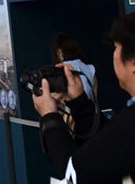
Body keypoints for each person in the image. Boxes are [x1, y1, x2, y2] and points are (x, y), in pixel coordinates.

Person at [34, 13, 135, 182]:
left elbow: (74, 174)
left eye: (116, 47)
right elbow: (108, 150)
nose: (114, 55)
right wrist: (79, 102)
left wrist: (49, 116)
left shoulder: (130, 125)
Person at [51, 32, 97, 104]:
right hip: (90, 110)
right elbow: (95, 99)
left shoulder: (61, 69)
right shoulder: (91, 69)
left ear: (59, 52)